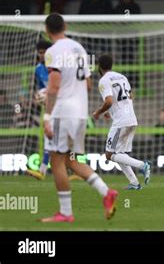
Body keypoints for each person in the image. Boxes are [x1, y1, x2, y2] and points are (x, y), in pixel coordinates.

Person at [40, 13, 118, 223]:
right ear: (64, 26)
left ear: (47, 30)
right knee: (71, 160)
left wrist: (47, 115)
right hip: (80, 113)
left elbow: (55, 86)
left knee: (56, 162)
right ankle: (106, 192)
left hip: (62, 112)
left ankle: (65, 213)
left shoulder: (52, 52)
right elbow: (89, 84)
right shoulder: (79, 49)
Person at [92, 54, 151, 190]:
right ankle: (135, 183)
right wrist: (110, 111)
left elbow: (108, 101)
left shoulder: (104, 80)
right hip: (131, 118)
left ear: (99, 66)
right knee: (119, 154)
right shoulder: (122, 77)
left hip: (121, 122)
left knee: (110, 154)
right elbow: (130, 96)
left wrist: (98, 112)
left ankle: (143, 165)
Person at [26, 39, 52, 180]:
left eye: (44, 52)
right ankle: (42, 171)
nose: (41, 55)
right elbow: (40, 89)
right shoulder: (38, 69)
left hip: (64, 107)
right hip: (50, 108)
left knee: (62, 141)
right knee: (49, 137)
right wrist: (39, 96)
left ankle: (77, 170)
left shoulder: (57, 66)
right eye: (40, 52)